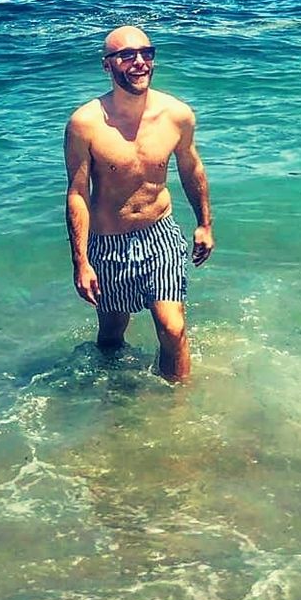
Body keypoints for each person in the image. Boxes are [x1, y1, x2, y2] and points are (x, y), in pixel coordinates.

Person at [64, 25, 213, 382]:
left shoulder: (177, 115)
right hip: (108, 242)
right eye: (127, 56)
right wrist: (81, 261)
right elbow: (77, 193)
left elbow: (192, 168)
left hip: (160, 234)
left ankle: (177, 407)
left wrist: (204, 224)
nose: (140, 62)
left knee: (172, 328)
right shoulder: (85, 124)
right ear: (107, 65)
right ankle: (115, 398)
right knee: (112, 334)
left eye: (146, 53)